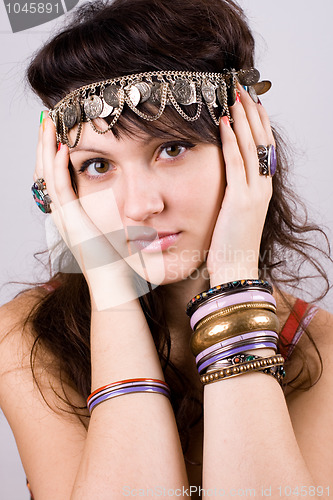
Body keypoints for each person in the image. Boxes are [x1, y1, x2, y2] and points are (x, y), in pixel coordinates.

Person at [0, 0, 332, 497]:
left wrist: (233, 272)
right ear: (61, 183)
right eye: (97, 166)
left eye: (171, 149)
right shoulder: (23, 338)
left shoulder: (320, 351)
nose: (140, 206)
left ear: (247, 146)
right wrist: (111, 288)